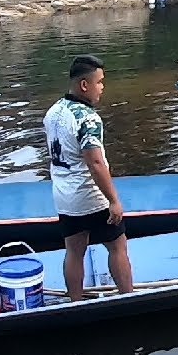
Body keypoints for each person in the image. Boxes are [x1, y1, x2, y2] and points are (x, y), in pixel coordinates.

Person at [43, 54, 133, 302]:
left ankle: (75, 302)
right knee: (117, 246)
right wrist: (113, 200)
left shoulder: (53, 112)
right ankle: (128, 298)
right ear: (85, 85)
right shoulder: (88, 118)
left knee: (74, 250)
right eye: (100, 82)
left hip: (64, 197)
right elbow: (95, 163)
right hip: (90, 196)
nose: (102, 88)